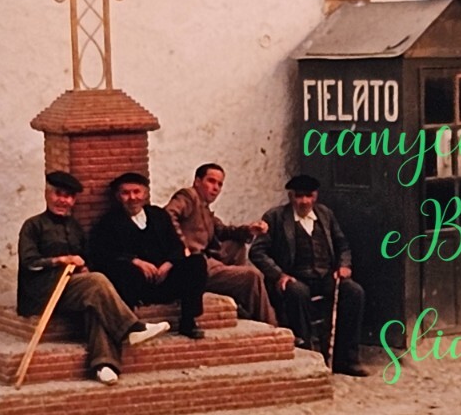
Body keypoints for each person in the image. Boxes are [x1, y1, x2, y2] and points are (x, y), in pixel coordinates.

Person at [16, 170, 168, 384]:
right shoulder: (33, 226)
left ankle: (103, 365)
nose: (63, 200)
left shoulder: (75, 227)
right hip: (42, 291)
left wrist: (84, 267)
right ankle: (132, 328)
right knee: (95, 283)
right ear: (47, 194)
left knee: (94, 301)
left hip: (72, 289)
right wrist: (61, 260)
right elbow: (29, 263)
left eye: (68, 196)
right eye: (58, 194)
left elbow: (87, 258)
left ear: (74, 200)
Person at [251, 174, 368, 377]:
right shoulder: (276, 217)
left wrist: (344, 265)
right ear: (290, 196)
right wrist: (279, 275)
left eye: (308, 196)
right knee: (297, 293)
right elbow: (257, 252)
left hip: (325, 277)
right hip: (295, 277)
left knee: (354, 292)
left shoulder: (325, 215)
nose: (304, 201)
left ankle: (346, 358)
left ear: (315, 196)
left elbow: (343, 245)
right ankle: (306, 356)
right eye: (299, 196)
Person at [88, 171, 207, 338]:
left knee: (197, 262)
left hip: (163, 279)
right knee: (120, 271)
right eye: (126, 193)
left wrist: (168, 264)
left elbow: (177, 245)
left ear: (145, 194)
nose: (132, 197)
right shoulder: (109, 222)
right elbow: (103, 253)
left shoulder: (158, 216)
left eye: (137, 192)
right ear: (118, 196)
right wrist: (136, 262)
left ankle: (188, 321)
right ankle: (131, 326)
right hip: (136, 283)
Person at [165, 163, 276, 326]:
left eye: (219, 184)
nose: (215, 188)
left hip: (207, 258)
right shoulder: (188, 196)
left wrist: (250, 229)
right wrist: (181, 246)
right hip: (194, 264)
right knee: (252, 276)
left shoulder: (205, 208)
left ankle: (237, 298)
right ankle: (272, 326)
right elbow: (168, 214)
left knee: (236, 244)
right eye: (211, 181)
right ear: (197, 181)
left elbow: (224, 231)